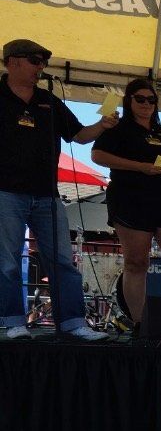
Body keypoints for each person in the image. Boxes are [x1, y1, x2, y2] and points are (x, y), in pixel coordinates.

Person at [0, 38, 115, 340]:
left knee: (63, 261)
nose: (41, 67)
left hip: (47, 195)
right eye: (35, 61)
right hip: (5, 193)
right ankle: (13, 322)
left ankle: (74, 322)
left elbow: (78, 135)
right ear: (13, 61)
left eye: (43, 62)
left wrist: (102, 125)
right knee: (8, 261)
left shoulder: (49, 101)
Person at [90, 78, 161, 330]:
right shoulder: (117, 128)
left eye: (151, 100)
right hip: (131, 201)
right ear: (129, 100)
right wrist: (141, 167)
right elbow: (97, 155)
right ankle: (140, 324)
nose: (146, 104)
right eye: (140, 99)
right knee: (136, 263)